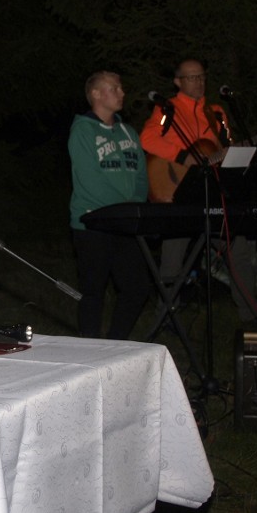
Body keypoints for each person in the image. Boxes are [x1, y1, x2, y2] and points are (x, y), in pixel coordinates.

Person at [140, 58, 257, 325]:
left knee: (237, 249)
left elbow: (221, 149)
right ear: (178, 82)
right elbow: (147, 139)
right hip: (176, 194)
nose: (199, 82)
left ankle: (252, 318)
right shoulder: (167, 110)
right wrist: (183, 157)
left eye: (202, 76)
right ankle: (165, 319)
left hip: (210, 193)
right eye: (192, 77)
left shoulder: (216, 112)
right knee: (173, 260)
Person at [68, 71, 151, 339]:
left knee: (137, 287)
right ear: (95, 94)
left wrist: (135, 207)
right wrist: (120, 210)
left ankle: (116, 344)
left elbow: (140, 174)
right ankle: (89, 350)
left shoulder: (128, 131)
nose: (122, 93)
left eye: (120, 87)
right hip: (93, 222)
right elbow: (90, 178)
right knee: (93, 291)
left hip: (125, 223)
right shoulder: (83, 130)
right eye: (114, 88)